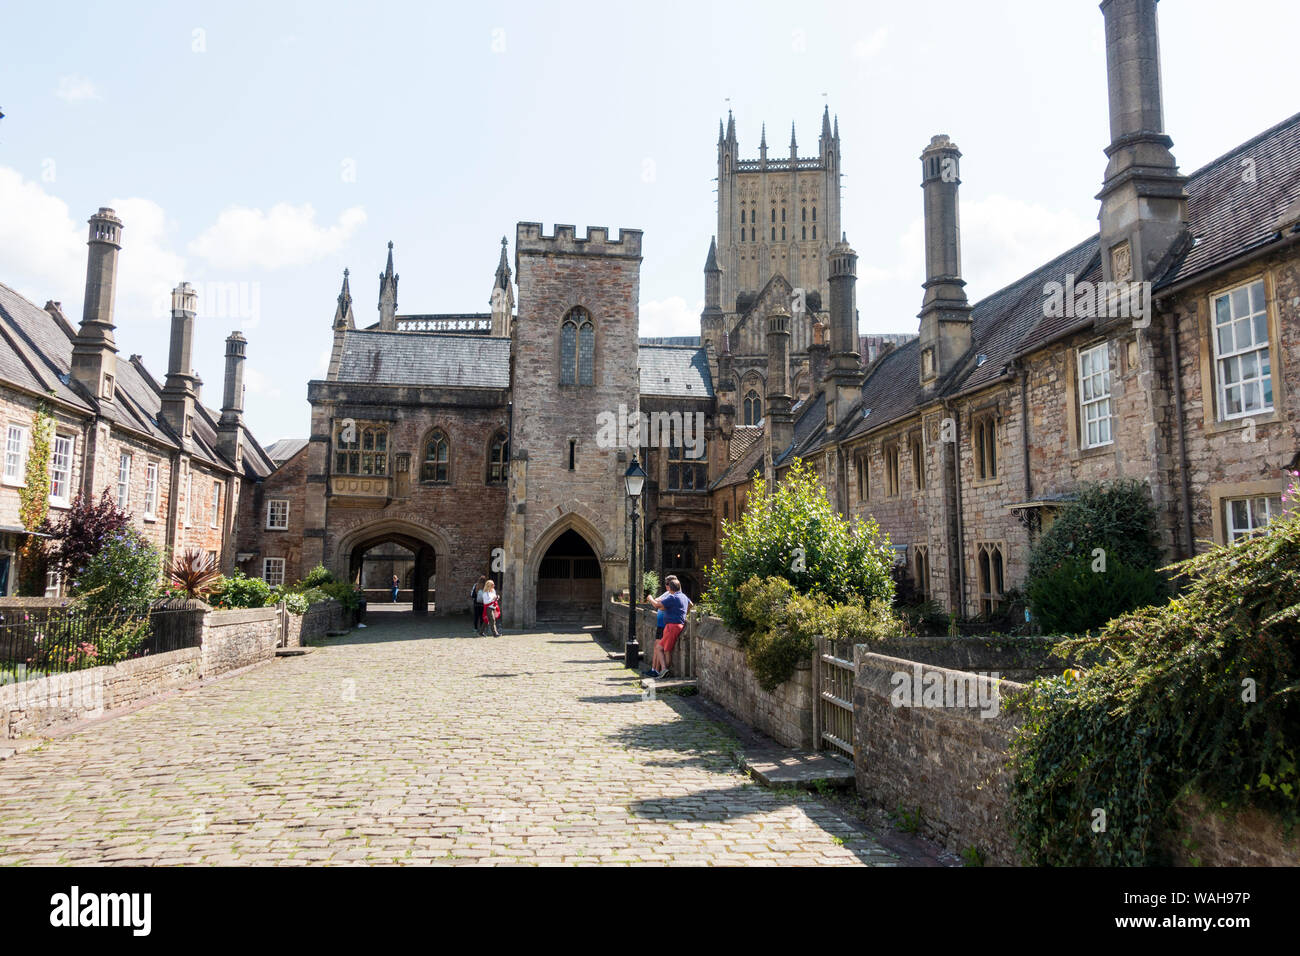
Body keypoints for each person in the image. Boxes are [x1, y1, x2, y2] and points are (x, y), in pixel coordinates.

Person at [644, 575, 692, 679]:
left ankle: (664, 670)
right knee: (664, 649)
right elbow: (691, 604)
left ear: (670, 587)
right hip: (675, 625)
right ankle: (664, 670)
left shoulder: (672, 597)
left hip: (672, 626)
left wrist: (650, 598)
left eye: (667, 585)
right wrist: (683, 614)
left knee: (662, 649)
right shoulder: (683, 596)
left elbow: (656, 605)